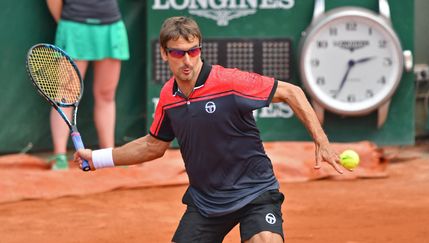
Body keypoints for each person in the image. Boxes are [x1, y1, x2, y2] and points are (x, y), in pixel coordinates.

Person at [74, 16, 346, 243]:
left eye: (193, 51)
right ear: (164, 53)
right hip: (207, 203)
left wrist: (321, 141)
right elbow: (152, 146)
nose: (187, 61)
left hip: (255, 192)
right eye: (178, 53)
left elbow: (292, 92)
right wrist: (96, 158)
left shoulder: (230, 82)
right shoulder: (169, 98)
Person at [46, 0, 130, 170]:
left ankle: (108, 155)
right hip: (74, 26)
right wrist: (68, 23)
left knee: (106, 94)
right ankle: (60, 156)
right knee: (66, 96)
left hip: (110, 25)